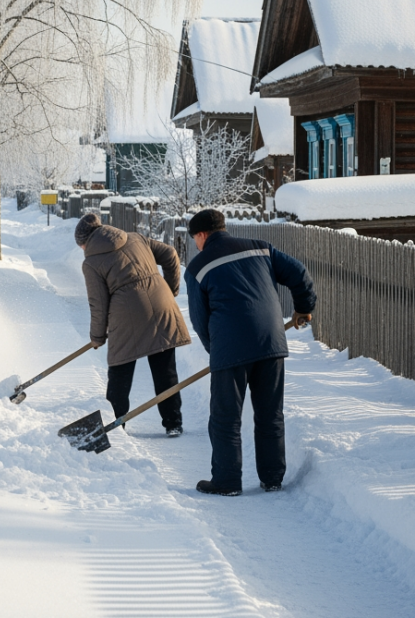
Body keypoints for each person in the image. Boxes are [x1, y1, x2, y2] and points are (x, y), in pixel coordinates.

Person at [184, 209, 314, 496]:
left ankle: (227, 482)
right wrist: (304, 307)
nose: (196, 244)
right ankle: (272, 478)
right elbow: (299, 274)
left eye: (195, 238)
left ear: (202, 234)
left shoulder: (197, 267)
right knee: (270, 413)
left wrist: (216, 351)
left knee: (225, 417)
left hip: (230, 347)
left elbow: (200, 320)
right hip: (271, 342)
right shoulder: (260, 248)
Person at [76, 213, 192, 436]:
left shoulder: (91, 263)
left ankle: (116, 425)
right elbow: (170, 254)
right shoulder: (136, 238)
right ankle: (173, 423)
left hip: (127, 315)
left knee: (120, 370)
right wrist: (170, 290)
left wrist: (97, 336)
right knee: (165, 370)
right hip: (162, 305)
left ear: (85, 242)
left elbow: (98, 304)